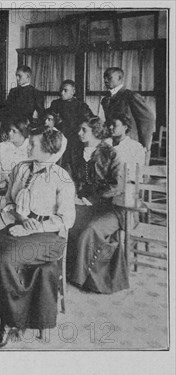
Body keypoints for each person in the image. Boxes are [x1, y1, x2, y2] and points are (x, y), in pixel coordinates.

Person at [0, 126, 75, 349]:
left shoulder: (61, 178)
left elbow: (66, 220)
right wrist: (11, 215)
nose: (28, 146)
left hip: (49, 237)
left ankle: (9, 324)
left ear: (47, 150)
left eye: (33, 144)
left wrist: (33, 228)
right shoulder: (21, 169)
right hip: (20, 226)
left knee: (5, 260)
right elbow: (9, 201)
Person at [65, 116, 127, 294]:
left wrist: (90, 199)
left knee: (89, 231)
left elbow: (116, 185)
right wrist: (73, 195)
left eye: (84, 130)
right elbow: (67, 177)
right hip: (79, 203)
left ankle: (83, 278)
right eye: (79, 129)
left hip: (109, 207)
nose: (79, 133)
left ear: (96, 132)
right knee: (65, 223)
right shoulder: (75, 151)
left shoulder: (111, 153)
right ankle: (65, 270)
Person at [101, 67, 155, 150]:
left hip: (131, 143)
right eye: (104, 77)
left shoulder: (131, 96)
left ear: (120, 78)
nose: (105, 80)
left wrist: (144, 145)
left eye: (109, 77)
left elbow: (148, 119)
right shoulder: (106, 99)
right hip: (113, 143)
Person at [49, 79, 94, 168]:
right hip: (59, 140)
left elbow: (90, 121)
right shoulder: (55, 104)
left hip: (75, 142)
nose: (62, 93)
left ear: (73, 91)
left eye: (65, 90)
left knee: (75, 167)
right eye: (61, 90)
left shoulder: (81, 106)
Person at [0, 118, 30, 191]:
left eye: (14, 131)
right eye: (9, 130)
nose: (10, 133)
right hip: (1, 186)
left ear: (23, 132)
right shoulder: (2, 146)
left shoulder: (30, 148)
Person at [110, 113, 146, 182]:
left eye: (114, 125)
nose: (110, 127)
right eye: (110, 124)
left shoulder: (135, 147)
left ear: (125, 127)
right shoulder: (105, 144)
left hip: (126, 186)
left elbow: (136, 174)